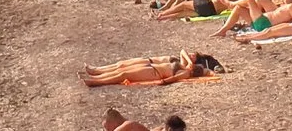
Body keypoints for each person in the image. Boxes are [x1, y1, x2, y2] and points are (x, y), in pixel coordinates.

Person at [80, 52, 223, 87]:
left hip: (154, 73)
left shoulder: (185, 73)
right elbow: (183, 51)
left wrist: (162, 82)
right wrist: (189, 62)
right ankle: (96, 73)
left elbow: (172, 79)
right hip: (151, 66)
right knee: (122, 67)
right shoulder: (185, 66)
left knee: (123, 73)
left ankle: (96, 81)